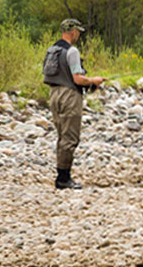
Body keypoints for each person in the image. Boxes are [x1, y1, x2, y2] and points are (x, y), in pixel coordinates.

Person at [42, 19, 106, 189]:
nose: (78, 35)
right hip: (69, 95)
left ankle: (62, 175)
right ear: (73, 32)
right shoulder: (72, 51)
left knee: (62, 136)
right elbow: (78, 78)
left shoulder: (52, 50)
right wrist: (94, 80)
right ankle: (63, 179)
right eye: (78, 32)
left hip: (54, 95)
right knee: (70, 137)